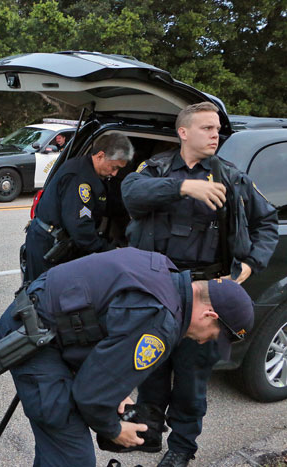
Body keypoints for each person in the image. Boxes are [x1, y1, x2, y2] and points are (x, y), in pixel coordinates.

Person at [121, 102, 278, 466]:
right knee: (151, 366)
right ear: (183, 133)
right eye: (206, 128)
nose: (215, 134)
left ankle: (181, 449)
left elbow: (267, 222)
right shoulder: (157, 168)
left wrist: (249, 266)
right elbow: (131, 194)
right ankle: (149, 432)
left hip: (204, 295)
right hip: (157, 291)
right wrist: (184, 187)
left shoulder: (230, 176)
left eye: (217, 129)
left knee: (192, 380)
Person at [0, 247, 254, 467]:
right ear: (209, 316)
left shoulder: (165, 272)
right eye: (213, 336)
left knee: (59, 451)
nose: (204, 341)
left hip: (47, 319)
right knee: (73, 456)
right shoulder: (160, 323)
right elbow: (90, 395)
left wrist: (115, 386)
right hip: (36, 340)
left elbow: (107, 317)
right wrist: (115, 430)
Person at [23, 132, 133, 283]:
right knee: (42, 294)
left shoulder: (94, 173)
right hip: (48, 245)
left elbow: (106, 203)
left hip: (60, 242)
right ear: (100, 156)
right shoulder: (79, 178)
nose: (115, 173)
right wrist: (109, 251)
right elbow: (80, 227)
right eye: (114, 167)